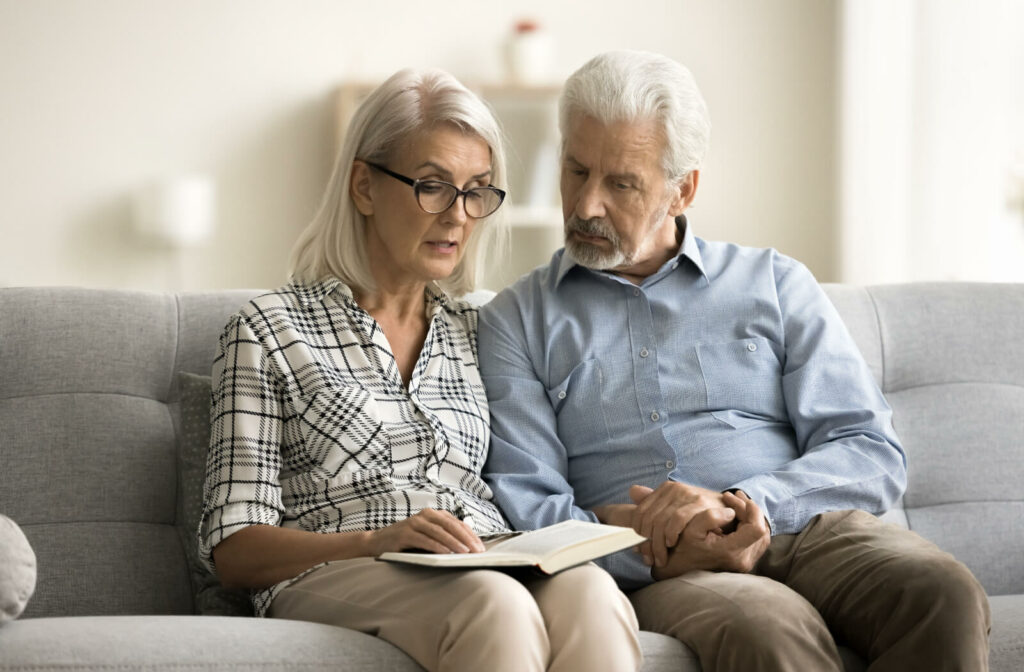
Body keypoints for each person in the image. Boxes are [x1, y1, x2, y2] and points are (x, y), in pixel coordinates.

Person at [479, 50, 990, 672]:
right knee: (765, 626)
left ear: (682, 189)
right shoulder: (517, 318)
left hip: (806, 528)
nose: (586, 205)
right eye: (576, 169)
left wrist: (742, 502)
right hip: (661, 563)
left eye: (620, 183)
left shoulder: (774, 282)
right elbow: (531, 502)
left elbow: (869, 449)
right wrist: (653, 549)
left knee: (941, 591)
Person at [197, 67, 641, 672]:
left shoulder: (484, 329)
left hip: (486, 555)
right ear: (363, 187)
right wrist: (377, 541)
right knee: (493, 605)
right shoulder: (270, 328)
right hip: (341, 566)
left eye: (477, 190)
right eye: (433, 186)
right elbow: (233, 547)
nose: (458, 216)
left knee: (591, 590)